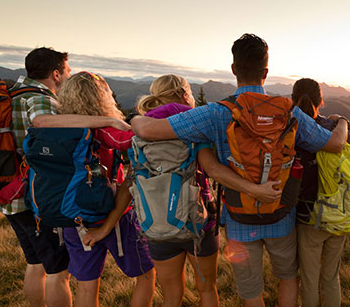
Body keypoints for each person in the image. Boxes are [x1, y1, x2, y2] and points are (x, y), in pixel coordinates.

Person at [130, 33, 349, 307]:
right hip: (281, 214)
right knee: (287, 279)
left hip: (239, 219)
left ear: (234, 69)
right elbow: (336, 143)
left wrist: (134, 117)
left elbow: (148, 130)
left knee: (250, 291)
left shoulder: (216, 112)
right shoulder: (289, 111)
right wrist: (342, 121)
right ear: (266, 72)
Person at [82, 73, 283, 307]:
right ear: (182, 94)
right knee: (207, 289)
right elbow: (214, 170)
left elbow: (130, 185)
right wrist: (256, 190)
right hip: (198, 222)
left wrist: (104, 228)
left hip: (156, 224)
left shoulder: (141, 134)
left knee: (171, 294)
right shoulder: (193, 129)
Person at [2, 47, 130, 307]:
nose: (68, 75)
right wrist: (107, 119)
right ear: (56, 73)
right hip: (43, 196)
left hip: (13, 194)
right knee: (57, 271)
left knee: (36, 262)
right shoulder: (41, 99)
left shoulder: (13, 95)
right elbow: (42, 123)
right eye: (67, 71)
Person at [54, 71, 156, 307]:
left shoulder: (58, 126)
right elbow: (132, 139)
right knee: (146, 274)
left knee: (87, 284)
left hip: (72, 215)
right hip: (110, 212)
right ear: (101, 97)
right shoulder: (102, 128)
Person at [291, 78, 350, 307]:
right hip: (339, 213)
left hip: (308, 216)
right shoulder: (330, 128)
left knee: (309, 278)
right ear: (321, 101)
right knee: (330, 276)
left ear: (292, 100)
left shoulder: (291, 129)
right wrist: (342, 123)